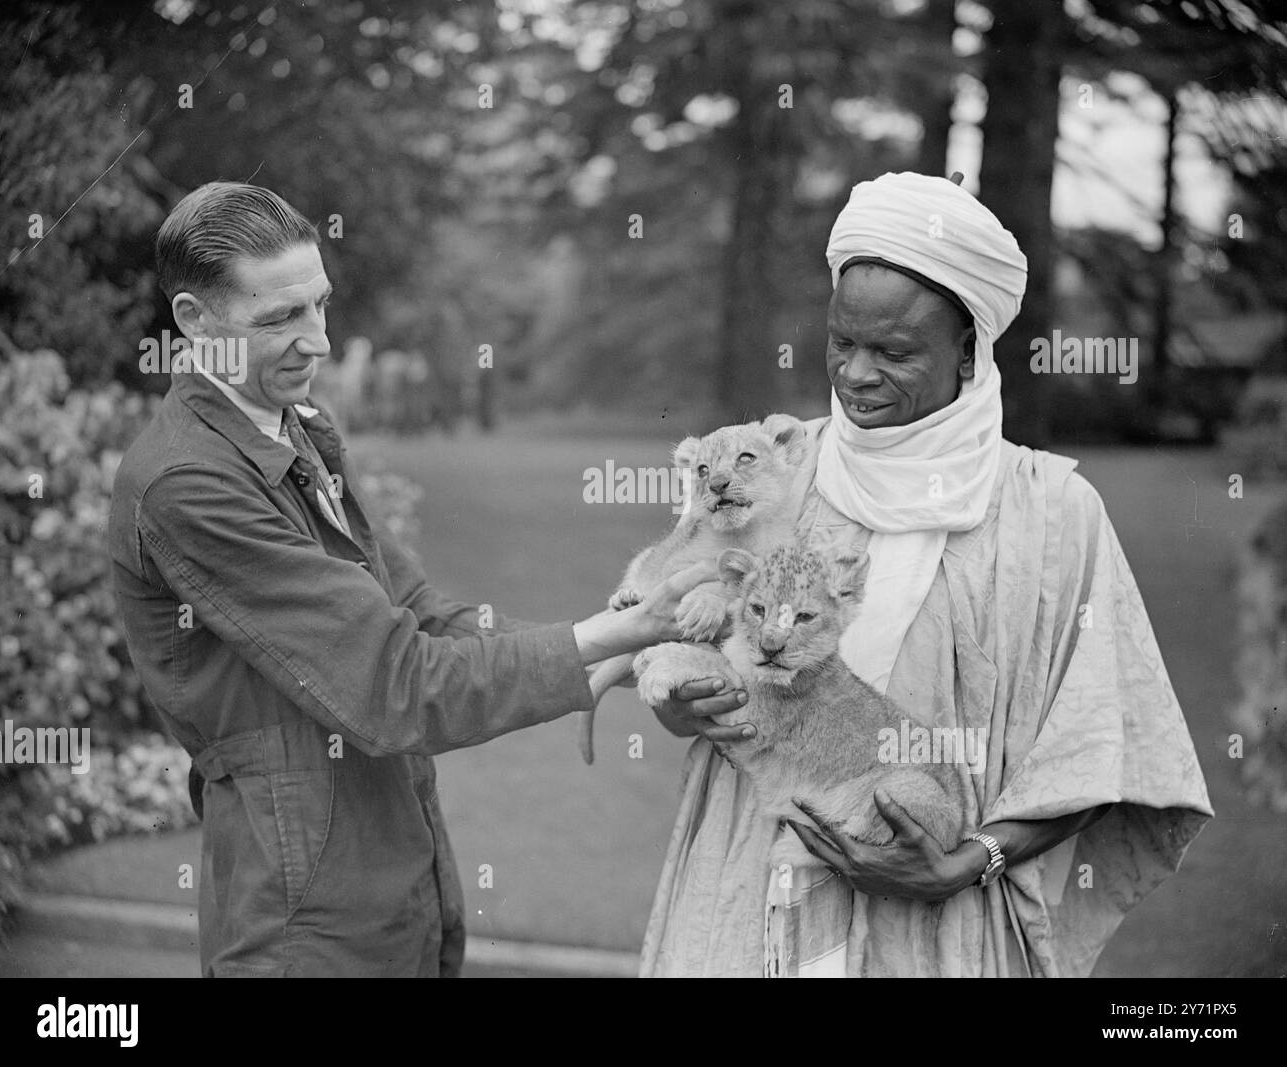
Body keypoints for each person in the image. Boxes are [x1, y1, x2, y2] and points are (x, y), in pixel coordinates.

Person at [108, 181, 710, 977]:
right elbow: (393, 684)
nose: (318, 341)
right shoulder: (188, 481)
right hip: (299, 921)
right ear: (193, 321)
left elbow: (422, 613)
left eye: (319, 305)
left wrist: (621, 656)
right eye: (280, 318)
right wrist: (615, 635)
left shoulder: (296, 427)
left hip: (389, 879)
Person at [640, 171, 1213, 978]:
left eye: (895, 351)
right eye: (841, 341)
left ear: (971, 350)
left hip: (937, 931)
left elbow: (1102, 740)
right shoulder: (774, 468)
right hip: (744, 902)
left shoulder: (1052, 514)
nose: (855, 375)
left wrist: (964, 860)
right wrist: (677, 698)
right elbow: (670, 631)